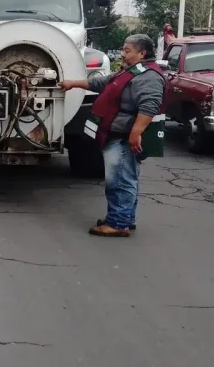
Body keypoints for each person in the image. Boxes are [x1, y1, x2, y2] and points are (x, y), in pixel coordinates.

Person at [60, 34, 166, 237]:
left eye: (127, 50)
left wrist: (135, 133)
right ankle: (124, 217)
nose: (123, 54)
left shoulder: (149, 76)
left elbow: (149, 106)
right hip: (118, 133)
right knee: (125, 178)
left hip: (124, 136)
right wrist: (72, 83)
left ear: (142, 53)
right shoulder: (133, 72)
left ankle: (118, 224)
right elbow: (103, 83)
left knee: (120, 181)